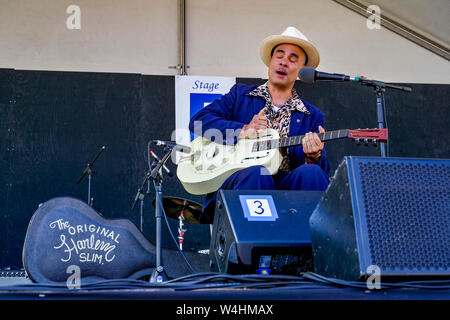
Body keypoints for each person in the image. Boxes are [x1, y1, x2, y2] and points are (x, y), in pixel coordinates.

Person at [189, 26, 331, 224]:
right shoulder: (240, 95)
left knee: (312, 173)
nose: (284, 62)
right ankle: (247, 250)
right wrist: (242, 130)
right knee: (259, 173)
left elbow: (321, 172)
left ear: (300, 70)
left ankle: (313, 249)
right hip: (245, 180)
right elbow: (198, 121)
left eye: (293, 59)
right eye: (279, 56)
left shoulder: (312, 115)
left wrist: (314, 157)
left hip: (287, 188)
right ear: (270, 62)